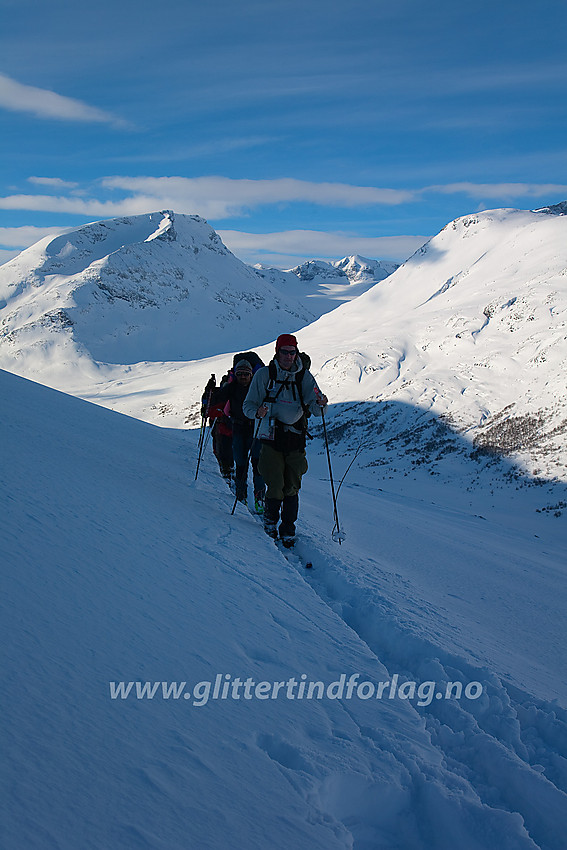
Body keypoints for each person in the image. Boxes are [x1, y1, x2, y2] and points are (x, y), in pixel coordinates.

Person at [242, 334, 328, 546]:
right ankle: (272, 522)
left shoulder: (304, 377)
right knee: (276, 484)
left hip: (295, 439)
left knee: (292, 486)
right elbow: (247, 407)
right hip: (270, 438)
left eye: (292, 352)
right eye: (285, 352)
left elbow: (317, 410)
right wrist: (258, 413)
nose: (289, 356)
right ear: (277, 352)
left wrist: (322, 403)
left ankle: (287, 527)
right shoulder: (263, 375)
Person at [214, 359, 265, 510]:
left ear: (251, 374)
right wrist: (211, 393)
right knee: (241, 464)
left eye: (246, 374)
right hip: (240, 429)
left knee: (257, 465)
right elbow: (218, 399)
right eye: (240, 374)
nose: (243, 377)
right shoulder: (233, 388)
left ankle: (257, 498)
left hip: (253, 430)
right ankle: (243, 495)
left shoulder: (255, 387)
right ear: (236, 374)